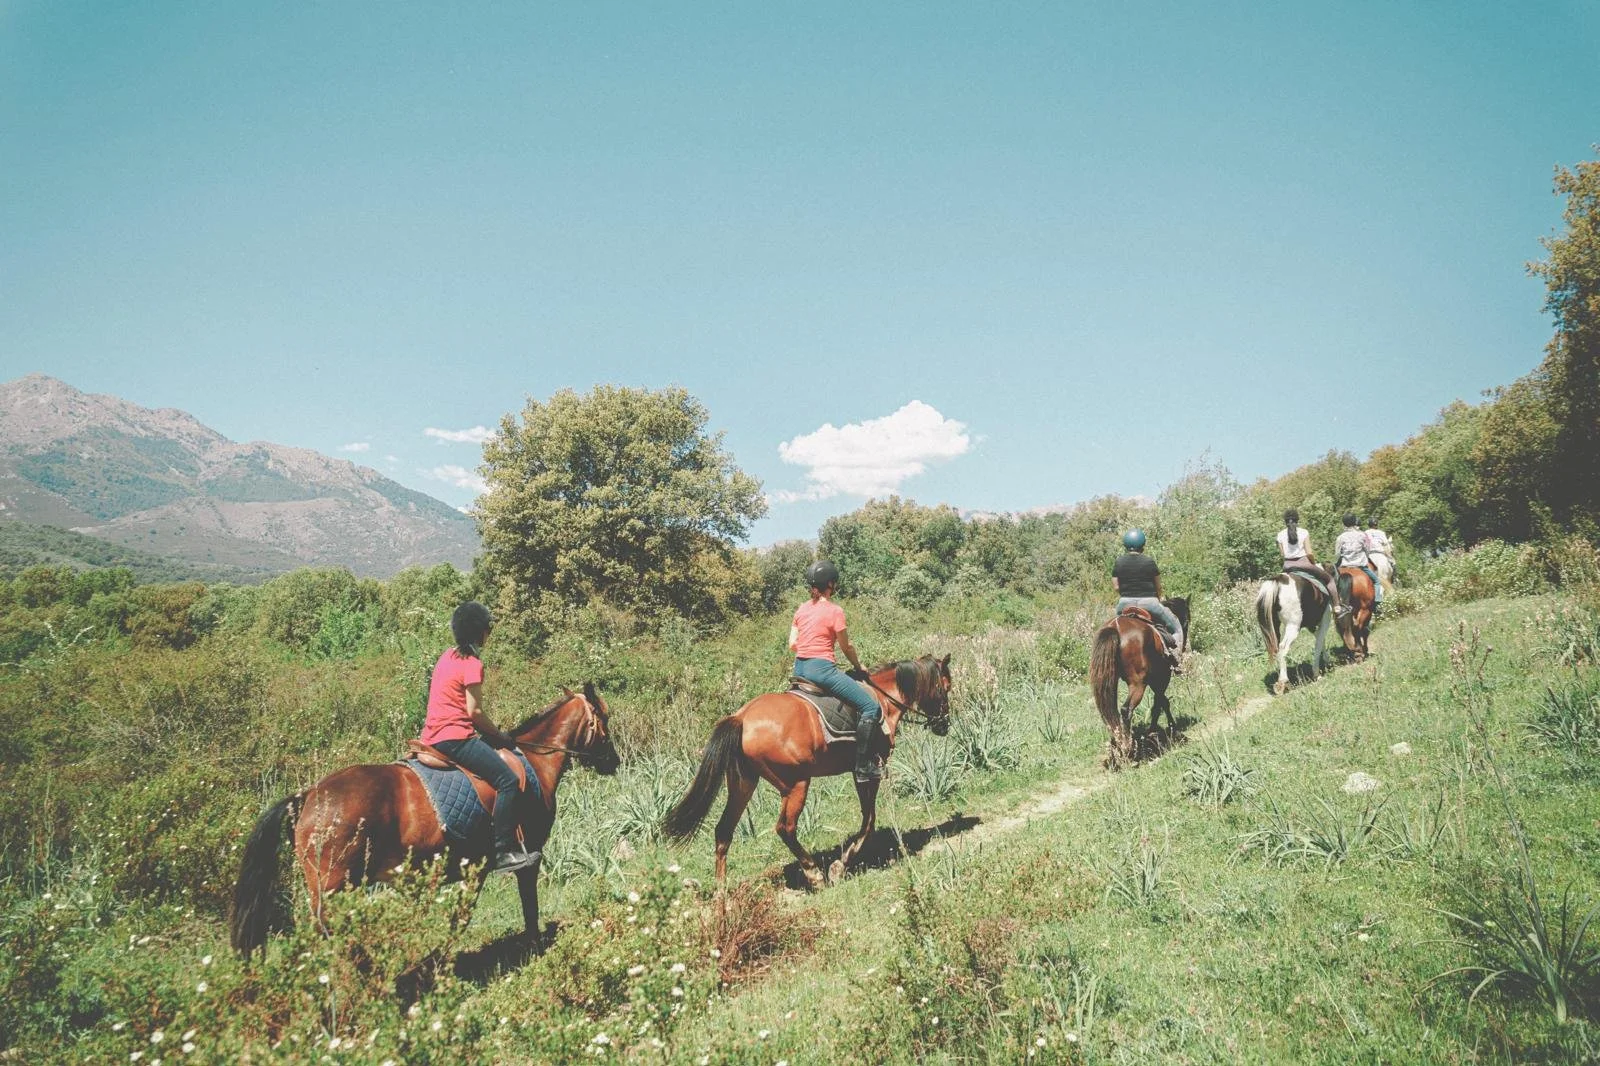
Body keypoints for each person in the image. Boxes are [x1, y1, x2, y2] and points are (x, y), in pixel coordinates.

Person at [420, 601, 537, 875]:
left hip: (431, 735)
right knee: (507, 780)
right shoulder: (472, 664)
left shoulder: (446, 656)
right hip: (455, 738)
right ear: (479, 633)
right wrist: (500, 735)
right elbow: (474, 712)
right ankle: (502, 851)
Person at [789, 559, 882, 783]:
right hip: (821, 670)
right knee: (871, 706)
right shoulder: (835, 611)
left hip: (799, 667)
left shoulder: (801, 609)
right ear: (830, 584)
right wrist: (859, 667)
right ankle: (863, 766)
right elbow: (846, 646)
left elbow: (793, 643)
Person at [1111, 529, 1184, 672]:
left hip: (1124, 603)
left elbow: (1115, 586)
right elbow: (1158, 586)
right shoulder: (1149, 561)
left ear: (1125, 544)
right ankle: (1176, 658)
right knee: (1176, 626)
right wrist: (1157, 597)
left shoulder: (1119, 562)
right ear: (1142, 544)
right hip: (1149, 603)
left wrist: (1126, 594)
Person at [1276, 508, 1345, 615]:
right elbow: (1309, 553)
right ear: (1297, 520)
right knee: (1330, 579)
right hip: (1304, 564)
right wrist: (1312, 563)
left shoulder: (1280, 535)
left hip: (1287, 565)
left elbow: (1282, 554)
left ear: (1285, 521)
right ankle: (1336, 606)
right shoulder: (1304, 532)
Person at [1334, 513, 1384, 611]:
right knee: (1377, 582)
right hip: (1360, 567)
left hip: (1344, 566)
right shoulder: (1362, 535)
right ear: (1354, 522)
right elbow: (1368, 550)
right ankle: (1377, 604)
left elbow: (1337, 554)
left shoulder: (1340, 537)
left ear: (1343, 524)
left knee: (1331, 583)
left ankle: (1332, 604)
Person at [1364, 519, 1396, 583]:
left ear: (1369, 525)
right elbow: (1386, 545)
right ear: (1377, 525)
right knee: (1393, 563)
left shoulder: (1365, 532)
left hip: (1369, 555)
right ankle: (1394, 579)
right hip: (1380, 553)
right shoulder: (1381, 532)